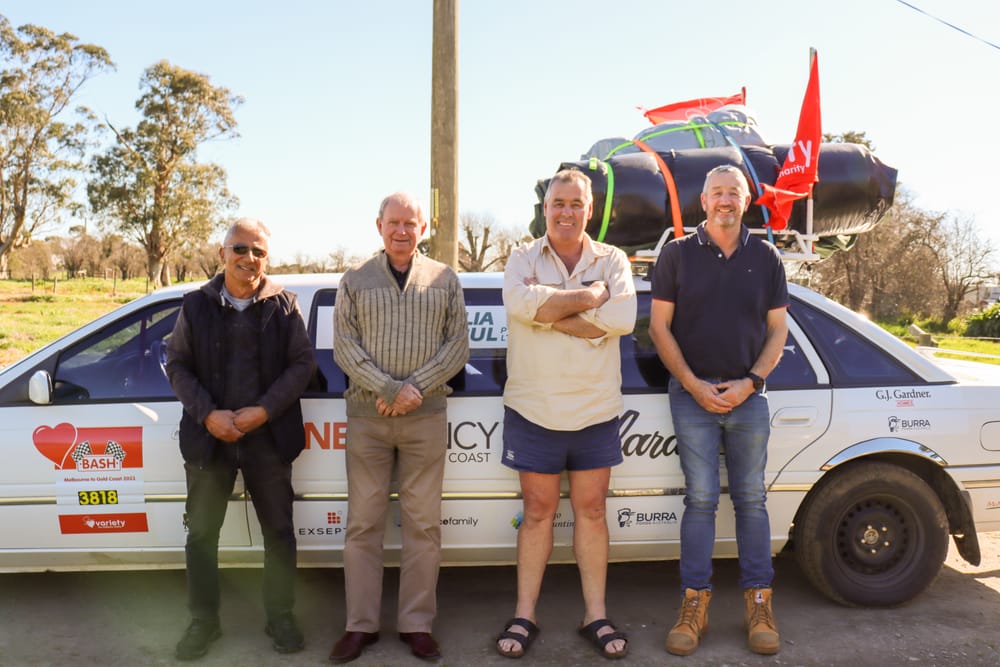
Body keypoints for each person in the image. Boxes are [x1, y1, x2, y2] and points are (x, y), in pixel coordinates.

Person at [647, 165, 789, 656]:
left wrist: (751, 384)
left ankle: (759, 603)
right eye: (717, 193)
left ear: (746, 201)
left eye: (734, 192)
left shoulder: (768, 257)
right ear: (702, 201)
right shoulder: (676, 255)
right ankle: (694, 605)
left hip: (748, 398)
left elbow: (777, 331)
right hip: (691, 398)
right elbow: (659, 328)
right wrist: (694, 386)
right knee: (701, 499)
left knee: (751, 499)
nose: (725, 200)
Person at [496, 169, 636, 660]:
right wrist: (591, 298)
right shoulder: (521, 258)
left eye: (576, 203)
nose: (566, 211)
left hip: (596, 410)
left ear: (589, 209)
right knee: (536, 513)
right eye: (558, 202)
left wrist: (551, 312)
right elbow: (518, 303)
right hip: (534, 408)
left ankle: (594, 614)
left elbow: (623, 318)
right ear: (545, 206)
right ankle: (524, 614)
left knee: (592, 513)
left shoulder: (612, 259)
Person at [166, 218, 317, 661]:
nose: (249, 259)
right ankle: (203, 621)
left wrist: (264, 410)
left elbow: (302, 365)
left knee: (279, 533)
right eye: (240, 250)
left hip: (268, 438)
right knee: (201, 536)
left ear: (266, 258)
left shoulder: (284, 305)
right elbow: (177, 364)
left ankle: (280, 615)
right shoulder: (195, 306)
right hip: (208, 438)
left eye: (258, 252)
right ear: (222, 254)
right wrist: (207, 413)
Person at [329, 192, 469, 663]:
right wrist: (388, 389)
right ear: (379, 226)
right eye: (394, 222)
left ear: (423, 228)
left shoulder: (445, 280)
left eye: (411, 223)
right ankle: (360, 625)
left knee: (424, 526)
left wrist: (414, 388)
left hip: (426, 418)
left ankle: (416, 624)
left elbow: (457, 348)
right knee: (363, 524)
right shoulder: (354, 280)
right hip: (369, 421)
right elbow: (344, 348)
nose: (402, 231)